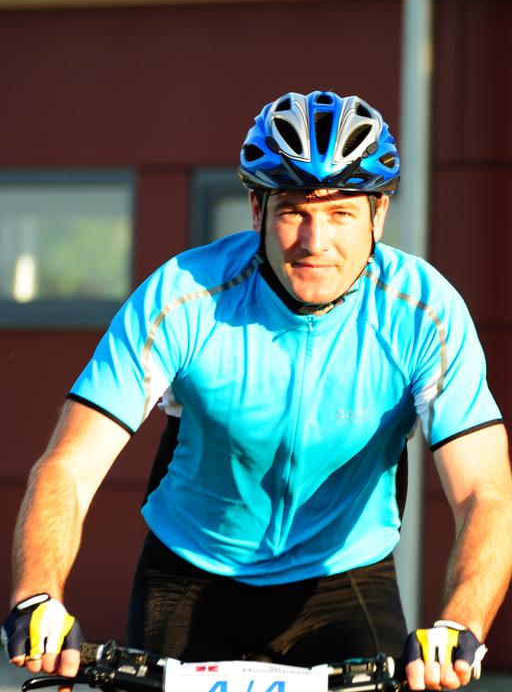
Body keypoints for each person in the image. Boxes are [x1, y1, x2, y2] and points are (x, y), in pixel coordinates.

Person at [2, 92, 512, 692]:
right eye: (294, 211)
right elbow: (68, 467)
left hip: (344, 578)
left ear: (378, 216)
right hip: (190, 573)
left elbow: (484, 492)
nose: (315, 241)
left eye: (342, 213)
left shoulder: (424, 313)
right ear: (256, 209)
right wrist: (37, 595)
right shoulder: (183, 296)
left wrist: (461, 622)